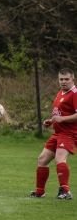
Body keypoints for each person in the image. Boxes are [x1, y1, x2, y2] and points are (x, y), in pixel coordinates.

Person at [30, 68, 77, 200]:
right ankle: (40, 192)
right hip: (58, 132)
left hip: (69, 133)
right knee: (42, 160)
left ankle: (65, 191)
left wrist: (62, 119)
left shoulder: (74, 94)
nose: (63, 81)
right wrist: (51, 121)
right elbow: (61, 113)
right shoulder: (61, 93)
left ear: (73, 80)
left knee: (59, 159)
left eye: (67, 79)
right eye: (61, 79)